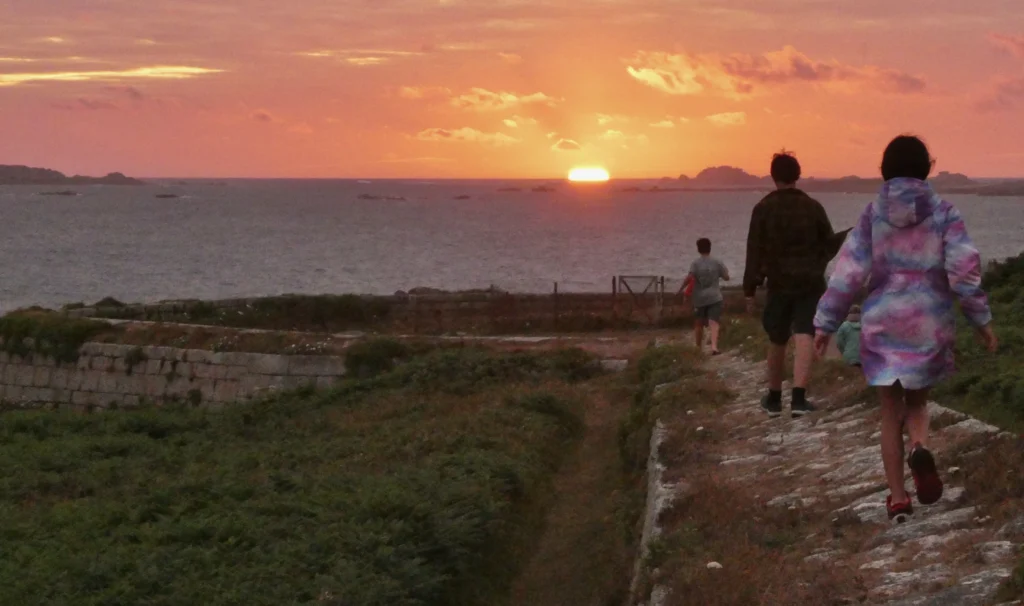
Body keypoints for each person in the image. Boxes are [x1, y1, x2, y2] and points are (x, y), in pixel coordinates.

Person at [813, 135, 998, 524]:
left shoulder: (871, 215)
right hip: (928, 325)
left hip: (882, 325)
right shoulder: (945, 212)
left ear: (884, 169)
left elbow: (848, 273)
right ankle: (918, 445)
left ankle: (897, 498)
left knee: (888, 411)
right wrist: (981, 320)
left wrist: (826, 322)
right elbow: (964, 271)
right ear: (927, 167)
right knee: (917, 403)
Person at [743, 151, 846, 418]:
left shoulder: (763, 208)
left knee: (777, 338)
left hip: (778, 281)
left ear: (773, 175)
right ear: (797, 175)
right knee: (804, 334)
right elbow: (827, 243)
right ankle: (799, 399)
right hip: (810, 282)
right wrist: (846, 237)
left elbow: (754, 250)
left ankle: (774, 398)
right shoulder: (813, 207)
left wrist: (749, 289)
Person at [682, 238, 730, 354]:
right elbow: (726, 277)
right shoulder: (717, 262)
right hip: (715, 297)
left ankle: (698, 348)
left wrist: (681, 288)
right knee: (713, 322)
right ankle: (714, 347)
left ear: (698, 249)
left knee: (698, 323)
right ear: (710, 247)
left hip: (700, 298)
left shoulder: (695, 263)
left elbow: (689, 278)